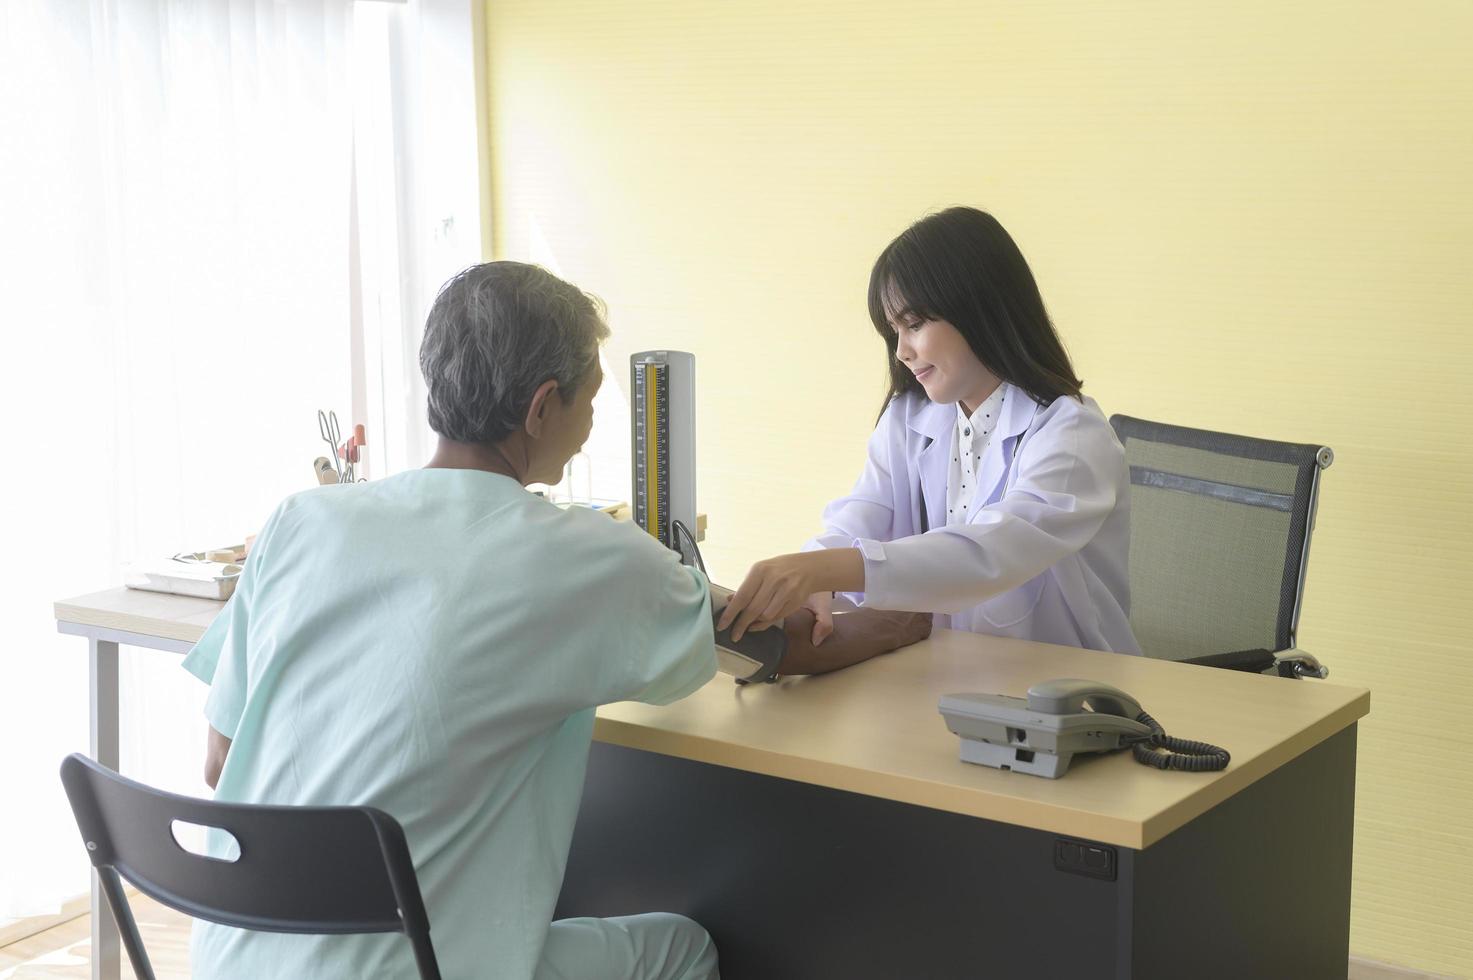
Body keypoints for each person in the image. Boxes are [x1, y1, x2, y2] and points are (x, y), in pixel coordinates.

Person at [181, 262, 721, 980]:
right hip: (418, 969)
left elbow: (221, 763)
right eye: (590, 402)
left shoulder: (300, 520)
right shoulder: (582, 554)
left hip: (233, 958)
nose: (591, 428)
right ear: (541, 407)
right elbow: (762, 639)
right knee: (683, 950)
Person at [719, 207, 1140, 657]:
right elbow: (864, 512)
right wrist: (816, 575)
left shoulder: (1073, 436)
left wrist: (825, 569)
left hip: (1069, 693)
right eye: (893, 330)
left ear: (980, 308)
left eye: (915, 324)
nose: (901, 351)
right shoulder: (910, 418)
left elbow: (989, 555)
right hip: (945, 673)